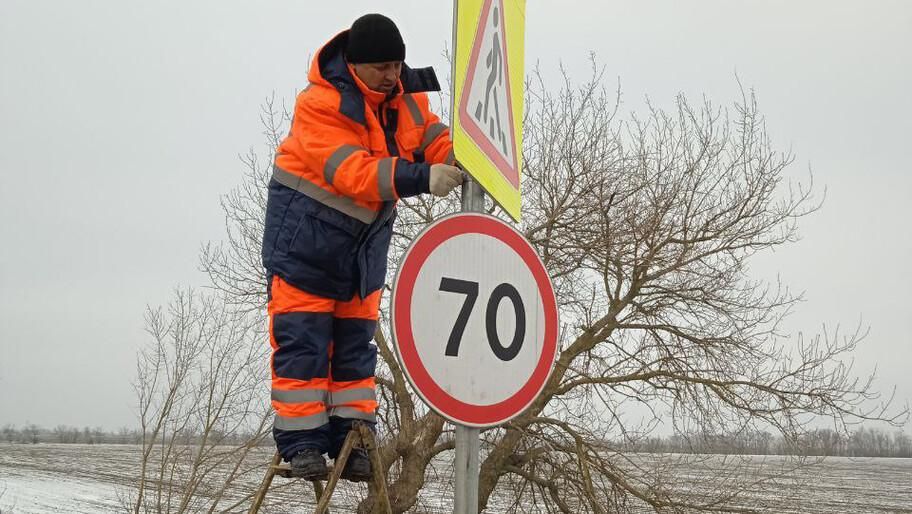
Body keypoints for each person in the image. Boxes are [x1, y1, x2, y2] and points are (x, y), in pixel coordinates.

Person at [261, 13, 464, 481]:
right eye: (382, 68)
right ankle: (303, 445)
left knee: (355, 355)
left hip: (360, 257)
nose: (392, 75)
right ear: (356, 66)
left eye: (397, 65)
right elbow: (353, 173)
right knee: (304, 349)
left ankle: (353, 443)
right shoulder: (320, 105)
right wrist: (422, 178)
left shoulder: (406, 98)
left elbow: (430, 136)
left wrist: (453, 155)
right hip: (304, 253)